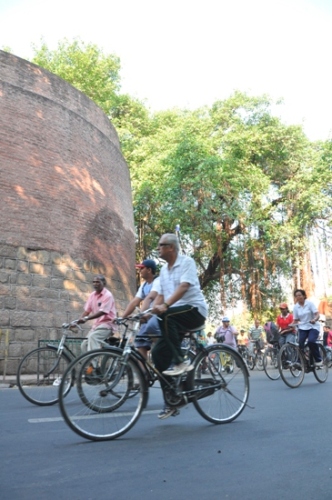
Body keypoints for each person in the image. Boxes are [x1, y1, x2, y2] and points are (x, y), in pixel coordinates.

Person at [151, 233, 208, 419]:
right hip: (174, 317)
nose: (158, 248)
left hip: (194, 311)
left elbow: (183, 287)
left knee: (166, 315)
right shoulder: (163, 271)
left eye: (161, 245)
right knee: (158, 354)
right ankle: (173, 400)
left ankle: (180, 361)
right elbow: (160, 296)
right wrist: (149, 312)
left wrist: (165, 307)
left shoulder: (186, 262)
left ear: (171, 248)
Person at [121, 259, 160, 359]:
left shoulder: (158, 282)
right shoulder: (144, 286)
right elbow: (135, 301)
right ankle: (143, 373)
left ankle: (161, 348)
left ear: (149, 270)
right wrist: (122, 317)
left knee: (153, 331)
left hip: (157, 316)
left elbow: (150, 298)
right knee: (140, 342)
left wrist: (140, 315)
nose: (139, 271)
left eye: (142, 268)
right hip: (146, 317)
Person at [78, 275, 117, 374]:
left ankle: (94, 368)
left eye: (98, 282)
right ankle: (94, 365)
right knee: (84, 345)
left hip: (108, 324)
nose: (95, 284)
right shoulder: (92, 295)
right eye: (94, 282)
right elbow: (87, 311)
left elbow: (103, 312)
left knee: (93, 338)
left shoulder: (108, 295)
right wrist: (78, 320)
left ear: (104, 283)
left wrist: (86, 319)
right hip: (97, 325)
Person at [293, 289, 322, 366]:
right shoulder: (296, 307)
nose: (298, 297)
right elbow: (295, 320)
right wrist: (291, 325)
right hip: (302, 327)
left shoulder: (309, 304)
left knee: (311, 341)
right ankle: (301, 361)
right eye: (296, 296)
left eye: (300, 295)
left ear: (304, 296)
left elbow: (317, 314)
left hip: (313, 326)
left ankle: (318, 359)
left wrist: (314, 319)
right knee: (300, 343)